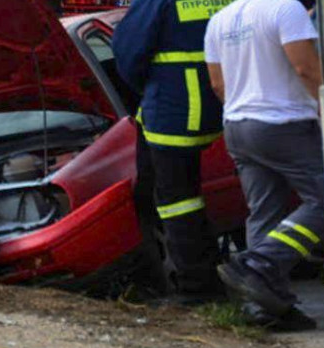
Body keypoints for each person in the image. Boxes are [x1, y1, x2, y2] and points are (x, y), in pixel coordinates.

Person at [204, 0, 324, 330]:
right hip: (284, 124)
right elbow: (306, 69)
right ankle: (259, 264)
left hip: (238, 125)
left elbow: (217, 84)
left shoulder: (220, 20)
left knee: (264, 212)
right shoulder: (286, 9)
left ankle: (266, 309)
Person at [112, 0, 231, 303]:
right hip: (223, 101)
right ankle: (208, 271)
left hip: (173, 108)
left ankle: (199, 288)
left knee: (176, 201)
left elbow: (128, 52)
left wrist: (149, 90)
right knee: (178, 195)